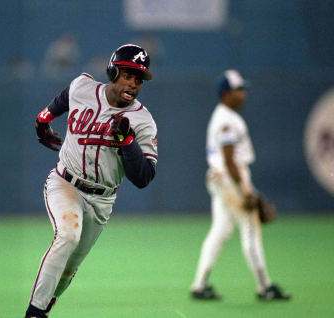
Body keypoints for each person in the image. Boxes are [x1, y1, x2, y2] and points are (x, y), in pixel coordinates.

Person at [25, 44, 158, 317]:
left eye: (139, 78)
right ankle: (34, 314)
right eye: (128, 74)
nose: (133, 83)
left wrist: (128, 142)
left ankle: (45, 308)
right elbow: (64, 98)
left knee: (71, 266)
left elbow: (143, 177)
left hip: (102, 199)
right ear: (113, 71)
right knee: (68, 236)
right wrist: (43, 120)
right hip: (66, 183)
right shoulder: (83, 88)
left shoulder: (142, 121)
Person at [190, 70, 291, 301]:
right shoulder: (226, 119)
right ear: (226, 93)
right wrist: (247, 191)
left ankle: (199, 285)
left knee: (221, 230)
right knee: (251, 227)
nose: (243, 94)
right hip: (229, 177)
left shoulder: (224, 116)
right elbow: (229, 159)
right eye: (238, 89)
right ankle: (264, 287)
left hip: (220, 178)